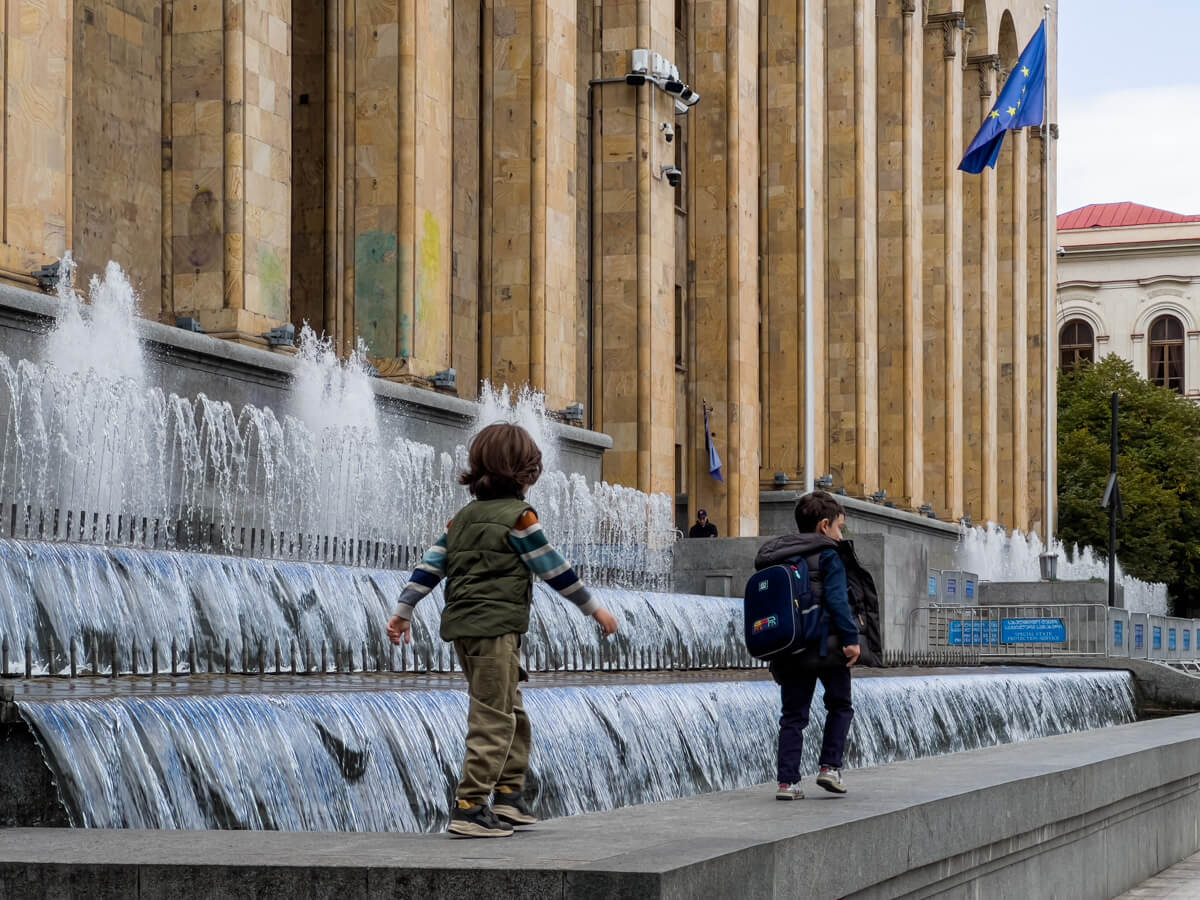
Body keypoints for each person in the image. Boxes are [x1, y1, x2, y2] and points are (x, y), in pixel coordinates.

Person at [386, 422, 619, 838]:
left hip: (466, 629)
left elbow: (429, 567)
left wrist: (404, 610)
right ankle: (470, 806)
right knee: (493, 717)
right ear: (527, 472)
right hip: (494, 629)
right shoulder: (520, 518)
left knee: (511, 711)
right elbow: (554, 568)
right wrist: (593, 609)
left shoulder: (462, 519)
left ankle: (509, 796)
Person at [753, 490, 871, 800]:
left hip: (790, 648)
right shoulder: (829, 554)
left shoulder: (779, 557)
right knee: (840, 706)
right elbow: (837, 600)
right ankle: (830, 767)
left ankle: (787, 783)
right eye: (839, 527)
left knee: (792, 717)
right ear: (824, 526)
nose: (839, 534)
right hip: (828, 647)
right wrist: (851, 640)